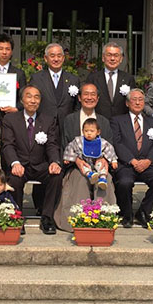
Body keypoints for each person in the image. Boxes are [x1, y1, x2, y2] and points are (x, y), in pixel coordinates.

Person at [53, 82, 116, 232]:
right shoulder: (69, 120)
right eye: (86, 94)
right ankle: (78, 220)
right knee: (81, 180)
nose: (89, 97)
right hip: (77, 166)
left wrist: (105, 160)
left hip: (100, 166)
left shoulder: (104, 122)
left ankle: (103, 220)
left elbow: (109, 146)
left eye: (93, 94)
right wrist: (78, 161)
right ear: (80, 98)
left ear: (98, 98)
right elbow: (65, 145)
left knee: (104, 180)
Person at [1, 84, 63, 234]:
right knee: (14, 179)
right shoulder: (10, 119)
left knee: (56, 175)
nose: (33, 100)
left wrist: (55, 161)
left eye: (37, 97)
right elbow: (7, 145)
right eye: (29, 96)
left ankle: (47, 217)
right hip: (20, 164)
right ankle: (16, 216)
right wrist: (15, 163)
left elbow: (52, 144)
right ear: (22, 100)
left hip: (40, 164)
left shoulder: (48, 120)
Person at [111, 88, 153, 228]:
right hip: (127, 164)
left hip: (147, 164)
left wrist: (148, 160)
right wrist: (132, 160)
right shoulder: (117, 121)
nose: (137, 102)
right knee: (124, 182)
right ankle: (127, 213)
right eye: (134, 99)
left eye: (140, 99)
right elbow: (117, 143)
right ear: (127, 103)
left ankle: (143, 211)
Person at [29, 43, 80, 128]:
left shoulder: (73, 79)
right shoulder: (36, 79)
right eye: (52, 56)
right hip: (43, 125)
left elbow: (77, 105)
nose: (56, 59)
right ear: (46, 58)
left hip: (67, 126)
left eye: (59, 56)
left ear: (63, 58)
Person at [63, 118, 118, 190]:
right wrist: (68, 158)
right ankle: (90, 175)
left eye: (92, 131)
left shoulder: (102, 142)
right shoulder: (78, 141)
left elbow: (109, 150)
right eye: (86, 131)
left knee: (102, 166)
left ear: (98, 132)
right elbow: (70, 148)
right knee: (84, 167)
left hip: (97, 162)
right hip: (85, 162)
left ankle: (102, 179)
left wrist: (113, 160)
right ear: (82, 131)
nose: (89, 133)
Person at [86, 42, 136, 120]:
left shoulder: (128, 78)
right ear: (103, 58)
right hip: (98, 122)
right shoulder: (93, 78)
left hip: (121, 123)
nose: (112, 59)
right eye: (109, 55)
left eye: (116, 55)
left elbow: (132, 102)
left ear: (121, 59)